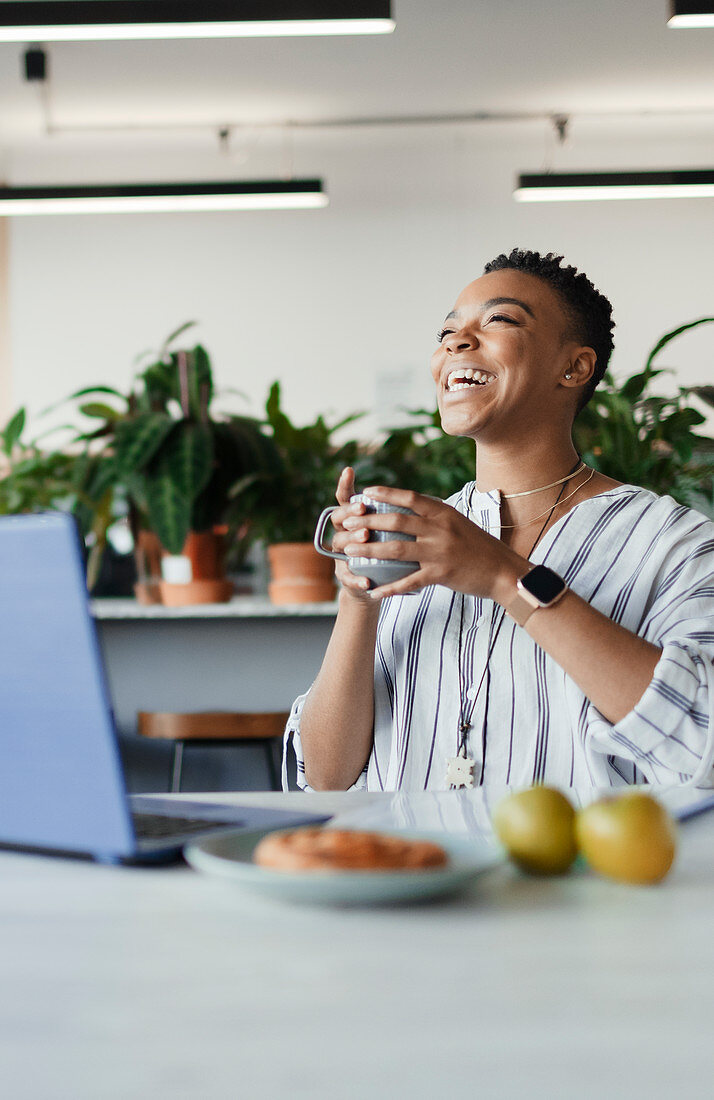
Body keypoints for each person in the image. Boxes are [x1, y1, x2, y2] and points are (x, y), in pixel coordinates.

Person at [283, 248, 714, 792]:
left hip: (582, 876)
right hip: (419, 872)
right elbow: (326, 778)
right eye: (447, 333)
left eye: (500, 320)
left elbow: (703, 741)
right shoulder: (418, 539)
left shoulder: (673, 544)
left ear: (574, 367)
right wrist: (359, 599)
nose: (456, 343)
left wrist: (502, 576)